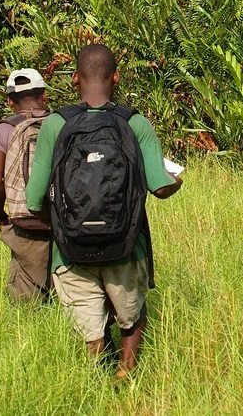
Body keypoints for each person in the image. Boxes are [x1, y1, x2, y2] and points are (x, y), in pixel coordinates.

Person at [25, 45, 182, 377]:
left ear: (73, 80)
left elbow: (35, 198)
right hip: (126, 248)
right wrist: (177, 180)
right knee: (132, 317)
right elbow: (162, 187)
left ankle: (97, 378)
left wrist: (63, 227)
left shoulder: (55, 124)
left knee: (89, 331)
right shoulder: (135, 123)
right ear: (116, 77)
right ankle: (126, 374)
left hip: (71, 252)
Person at [0, 68, 53, 303]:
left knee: (27, 308)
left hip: (26, 223)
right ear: (44, 95)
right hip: (68, 222)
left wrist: (1, 217)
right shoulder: (63, 125)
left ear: (10, 101)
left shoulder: (2, 131)